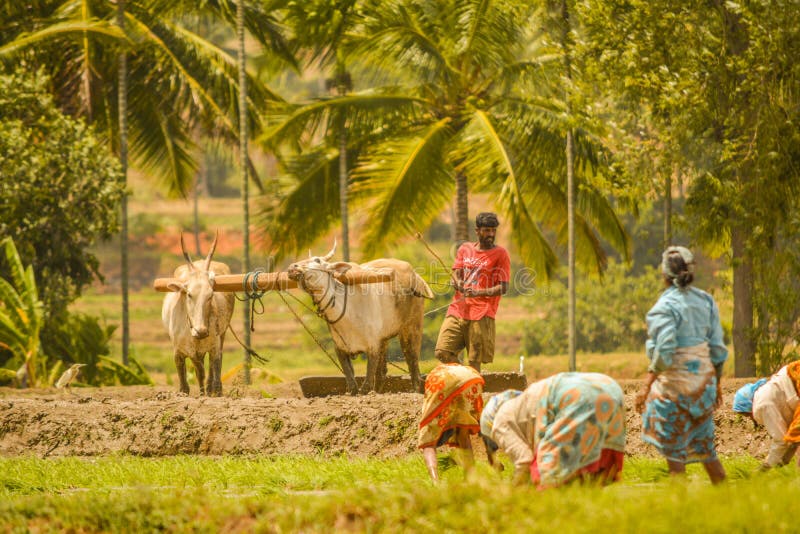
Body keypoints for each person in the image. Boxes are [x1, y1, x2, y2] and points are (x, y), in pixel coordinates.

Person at [635, 245, 728, 484]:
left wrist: (646, 386)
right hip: (703, 388)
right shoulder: (706, 301)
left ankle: (680, 511)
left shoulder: (663, 308)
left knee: (676, 462)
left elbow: (665, 352)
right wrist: (715, 384)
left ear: (664, 275)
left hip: (675, 391)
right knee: (708, 453)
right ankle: (731, 504)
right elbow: (717, 351)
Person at [480, 373, 626, 488]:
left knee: (547, 479)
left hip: (575, 396)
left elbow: (524, 462)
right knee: (589, 479)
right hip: (609, 388)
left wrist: (511, 496)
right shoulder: (522, 405)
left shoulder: (499, 421)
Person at [434, 212, 511, 372]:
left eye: (493, 230)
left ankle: (470, 386)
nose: (490, 234)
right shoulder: (465, 249)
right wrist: (458, 282)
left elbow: (503, 287)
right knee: (442, 352)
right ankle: (466, 378)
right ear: (477, 231)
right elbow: (456, 274)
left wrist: (478, 292)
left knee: (474, 361)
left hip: (482, 313)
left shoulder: (501, 254)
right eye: (486, 230)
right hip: (457, 310)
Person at [418, 356, 485, 482]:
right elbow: (479, 413)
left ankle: (435, 481)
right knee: (463, 433)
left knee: (428, 439)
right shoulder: (461, 369)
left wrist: (427, 427)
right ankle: (470, 479)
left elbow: (429, 412)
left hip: (444, 382)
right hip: (472, 380)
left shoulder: (434, 376)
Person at [732, 360, 800, 469]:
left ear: (748, 406)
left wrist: (766, 467)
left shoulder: (761, 405)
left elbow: (780, 440)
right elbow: (791, 441)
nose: (750, 418)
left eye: (746, 415)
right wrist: (780, 464)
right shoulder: (770, 392)